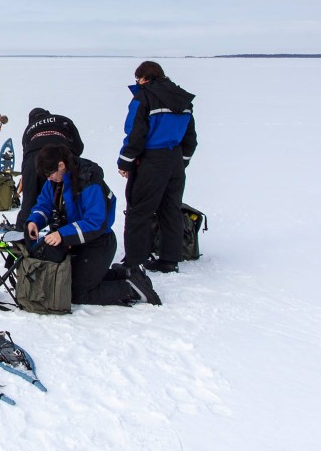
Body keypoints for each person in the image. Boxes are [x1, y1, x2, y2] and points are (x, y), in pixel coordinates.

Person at [24, 145, 159, 305]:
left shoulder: (89, 182)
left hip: (99, 243)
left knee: (75, 293)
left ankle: (131, 289)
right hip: (76, 242)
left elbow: (95, 222)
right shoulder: (55, 181)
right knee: (66, 281)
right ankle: (127, 274)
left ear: (61, 165)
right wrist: (34, 221)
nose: (48, 178)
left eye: (50, 174)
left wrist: (61, 234)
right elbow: (44, 205)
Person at [116, 61, 197, 273]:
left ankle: (134, 260)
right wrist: (182, 161)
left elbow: (136, 133)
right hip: (175, 159)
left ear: (144, 79)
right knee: (170, 209)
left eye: (137, 79)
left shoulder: (144, 97)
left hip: (151, 160)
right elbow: (191, 138)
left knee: (138, 210)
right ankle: (170, 259)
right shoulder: (183, 99)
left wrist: (125, 162)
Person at [16, 107, 84, 231]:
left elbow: (26, 152)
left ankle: (22, 237)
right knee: (65, 198)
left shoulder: (29, 128)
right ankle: (65, 235)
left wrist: (26, 177)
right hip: (62, 155)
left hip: (33, 160)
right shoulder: (63, 120)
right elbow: (79, 147)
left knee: (29, 202)